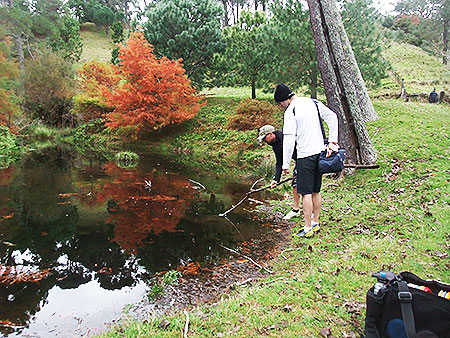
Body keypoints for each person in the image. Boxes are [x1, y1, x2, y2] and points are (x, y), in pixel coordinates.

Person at [274, 83, 339, 238]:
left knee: (306, 193)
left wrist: (285, 164)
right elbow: (332, 117)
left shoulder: (291, 110)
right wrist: (332, 141)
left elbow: (289, 139)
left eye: (279, 103)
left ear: (284, 100)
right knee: (316, 190)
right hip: (320, 153)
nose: (280, 106)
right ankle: (315, 223)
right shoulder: (313, 102)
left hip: (305, 156)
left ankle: (307, 228)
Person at [257, 124, 300, 220]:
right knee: (295, 184)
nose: (264, 141)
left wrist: (287, 164)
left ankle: (311, 211)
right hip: (299, 160)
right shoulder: (275, 145)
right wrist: (276, 179)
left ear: (271, 134)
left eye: (265, 138)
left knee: (308, 186)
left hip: (306, 157)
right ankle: (296, 210)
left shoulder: (286, 136)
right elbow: (279, 163)